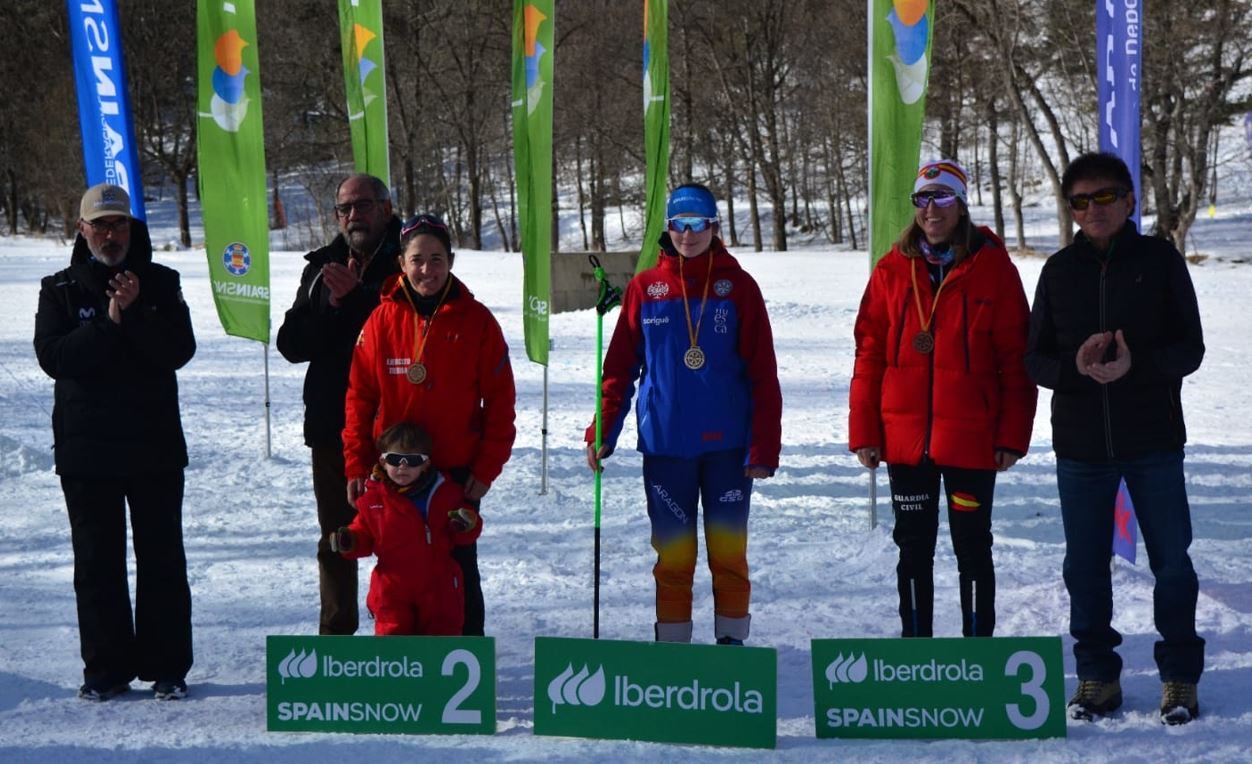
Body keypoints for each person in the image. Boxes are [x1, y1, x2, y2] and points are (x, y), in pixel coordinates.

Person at [1025, 152, 1205, 725]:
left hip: (1152, 439)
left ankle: (1179, 676)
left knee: (1172, 562)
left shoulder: (1160, 260)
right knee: (1084, 566)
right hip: (1080, 445)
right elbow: (1035, 358)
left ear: (1129, 200)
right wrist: (1074, 368)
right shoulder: (1058, 270)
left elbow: (1191, 348)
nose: (1093, 210)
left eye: (1104, 197)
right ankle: (1097, 675)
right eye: (1080, 201)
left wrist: (1139, 366)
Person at [586, 183, 782, 645]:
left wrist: (764, 446)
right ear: (667, 227)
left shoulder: (740, 288)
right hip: (666, 448)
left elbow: (763, 374)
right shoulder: (645, 289)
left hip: (729, 452)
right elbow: (618, 370)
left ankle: (731, 647)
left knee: (728, 555)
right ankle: (672, 653)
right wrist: (604, 429)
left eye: (697, 224)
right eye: (679, 224)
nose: (687, 234)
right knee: (673, 559)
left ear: (714, 228)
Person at [848, 159, 1036, 640]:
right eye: (923, 199)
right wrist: (865, 432)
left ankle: (978, 657)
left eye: (943, 198)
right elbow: (869, 354)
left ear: (961, 204)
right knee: (912, 548)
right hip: (905, 440)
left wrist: (1012, 436)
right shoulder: (892, 269)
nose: (931, 209)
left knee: (973, 547)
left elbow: (1017, 359)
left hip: (972, 439)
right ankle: (917, 655)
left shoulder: (993, 268)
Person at [33, 183, 195, 701]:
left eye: (118, 224)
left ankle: (167, 668)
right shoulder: (58, 289)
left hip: (154, 448)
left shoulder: (162, 283)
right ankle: (105, 671)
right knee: (97, 565)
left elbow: (178, 350)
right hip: (87, 453)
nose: (110, 234)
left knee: (163, 562)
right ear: (81, 231)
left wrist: (140, 310)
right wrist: (110, 321)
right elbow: (55, 358)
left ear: (133, 228)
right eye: (99, 225)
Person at [343, 213, 516, 636]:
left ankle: (467, 668)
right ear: (401, 263)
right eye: (417, 259)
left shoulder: (477, 322)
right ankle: (405, 672)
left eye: (436, 259)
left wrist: (483, 471)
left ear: (451, 261)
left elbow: (500, 405)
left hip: (455, 473)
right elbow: (359, 398)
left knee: (459, 571)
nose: (427, 270)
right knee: (399, 570)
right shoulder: (381, 321)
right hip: (394, 470)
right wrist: (356, 464)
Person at [277, 173, 401, 635]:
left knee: (402, 538)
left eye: (362, 206)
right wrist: (330, 306)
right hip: (332, 423)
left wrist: (357, 299)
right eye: (344, 209)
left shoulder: (411, 258)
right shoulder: (322, 265)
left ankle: (402, 636)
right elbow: (291, 343)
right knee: (337, 536)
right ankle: (337, 641)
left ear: (385, 209)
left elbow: (402, 333)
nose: (353, 217)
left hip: (397, 427)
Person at [330, 423, 481, 635]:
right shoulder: (373, 499)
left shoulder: (444, 494)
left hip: (438, 583)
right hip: (392, 585)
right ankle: (394, 667)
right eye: (394, 459)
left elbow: (466, 533)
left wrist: (466, 524)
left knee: (441, 634)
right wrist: (350, 540)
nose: (402, 467)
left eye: (412, 461)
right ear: (382, 460)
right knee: (393, 637)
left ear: (425, 464)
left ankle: (439, 668)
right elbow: (363, 534)